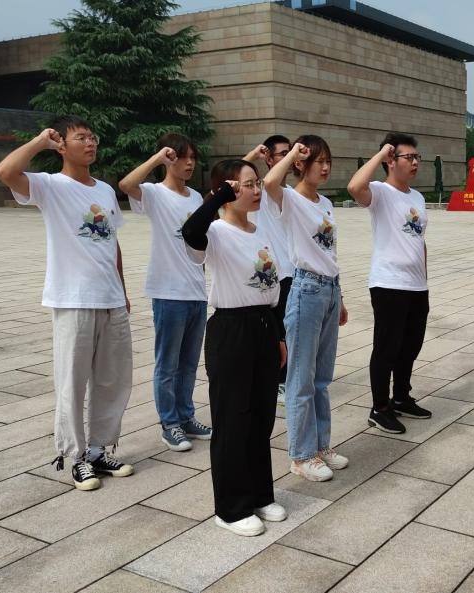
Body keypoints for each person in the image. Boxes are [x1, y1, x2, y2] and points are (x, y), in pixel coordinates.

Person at [0, 115, 134, 491]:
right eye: (81, 138)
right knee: (72, 381)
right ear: (62, 146)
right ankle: (75, 457)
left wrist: (122, 290)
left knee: (113, 380)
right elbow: (5, 171)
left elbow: (112, 243)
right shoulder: (50, 186)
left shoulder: (104, 190)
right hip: (73, 299)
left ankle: (99, 450)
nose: (90, 143)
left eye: (93, 136)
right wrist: (39, 142)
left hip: (110, 298)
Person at [180, 159, 286, 537]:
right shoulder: (215, 232)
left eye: (257, 183)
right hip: (231, 329)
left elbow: (273, 287)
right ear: (227, 190)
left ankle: (260, 494)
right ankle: (230, 508)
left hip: (264, 325)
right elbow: (190, 230)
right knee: (233, 419)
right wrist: (217, 197)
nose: (256, 191)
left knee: (261, 417)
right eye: (247, 185)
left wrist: (279, 335)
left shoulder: (261, 231)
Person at [263, 135, 349, 482]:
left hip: (329, 289)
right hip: (306, 289)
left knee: (322, 378)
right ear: (300, 164)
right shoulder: (291, 199)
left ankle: (320, 445)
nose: (325, 168)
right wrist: (293, 153)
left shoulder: (324, 202)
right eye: (318, 161)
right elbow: (270, 182)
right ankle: (300, 455)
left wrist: (340, 296)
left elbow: (330, 252)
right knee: (301, 378)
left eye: (328, 161)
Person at [119, 133, 212, 452]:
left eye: (192, 158)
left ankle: (186, 416)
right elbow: (126, 184)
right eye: (183, 157)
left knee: (189, 363)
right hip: (168, 292)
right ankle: (169, 423)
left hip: (196, 291)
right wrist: (157, 158)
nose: (189, 163)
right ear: (169, 159)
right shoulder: (154, 193)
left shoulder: (196, 197)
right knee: (168, 363)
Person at [347, 132, 432, 434]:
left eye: (417, 157)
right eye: (409, 157)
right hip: (388, 283)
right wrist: (381, 153)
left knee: (410, 345)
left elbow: (420, 240)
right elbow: (354, 187)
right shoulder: (380, 192)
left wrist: (424, 278)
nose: (415, 162)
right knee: (387, 347)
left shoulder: (417, 197)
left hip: (416, 285)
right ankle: (379, 407)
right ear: (391, 161)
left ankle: (401, 397)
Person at [244, 135, 294, 404]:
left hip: (296, 272)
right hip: (275, 274)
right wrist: (253, 155)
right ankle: (278, 381)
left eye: (291, 152)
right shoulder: (260, 192)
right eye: (283, 153)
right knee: (278, 331)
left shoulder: (293, 193)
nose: (290, 158)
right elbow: (231, 178)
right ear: (269, 159)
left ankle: (288, 377)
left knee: (292, 330)